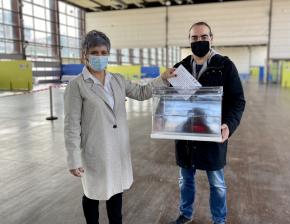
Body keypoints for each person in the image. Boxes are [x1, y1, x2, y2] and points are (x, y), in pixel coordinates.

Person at [64, 30, 175, 224]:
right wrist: (73, 159)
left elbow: (142, 92)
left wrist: (163, 77)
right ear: (84, 54)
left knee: (116, 193)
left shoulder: (117, 80)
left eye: (103, 52)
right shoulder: (77, 85)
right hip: (95, 150)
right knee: (92, 194)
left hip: (117, 150)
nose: (100, 56)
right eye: (95, 52)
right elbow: (71, 125)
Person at [169, 22, 246, 224]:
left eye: (204, 37)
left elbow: (238, 101)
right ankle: (186, 214)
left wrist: (229, 125)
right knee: (185, 179)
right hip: (185, 136)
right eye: (194, 38)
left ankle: (219, 220)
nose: (199, 41)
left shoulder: (224, 66)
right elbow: (170, 101)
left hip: (213, 135)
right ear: (189, 41)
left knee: (217, 183)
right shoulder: (180, 68)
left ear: (212, 38)